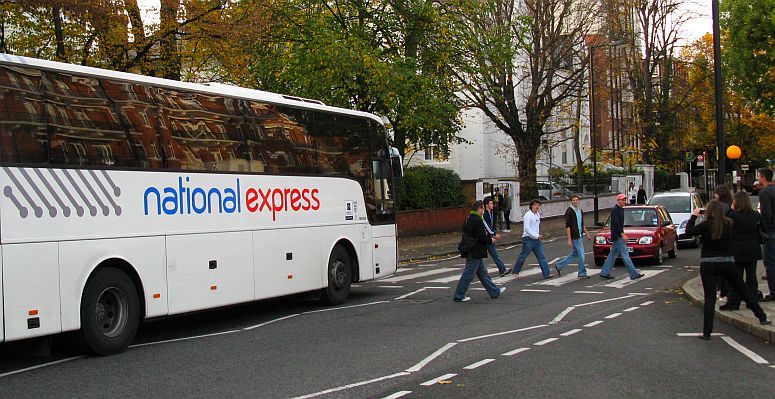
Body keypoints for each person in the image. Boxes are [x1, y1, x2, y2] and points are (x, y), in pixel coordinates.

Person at [685, 200, 771, 339]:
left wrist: (694, 216)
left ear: (709, 212)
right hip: (727, 262)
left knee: (710, 298)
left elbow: (689, 232)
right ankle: (761, 316)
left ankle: (707, 332)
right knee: (743, 289)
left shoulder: (706, 225)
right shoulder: (729, 224)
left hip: (708, 263)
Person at [453, 201, 507, 302]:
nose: (483, 211)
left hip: (470, 248)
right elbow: (482, 236)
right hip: (475, 250)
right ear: (479, 209)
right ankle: (459, 295)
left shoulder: (468, 218)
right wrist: (491, 240)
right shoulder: (477, 220)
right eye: (482, 209)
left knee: (483, 274)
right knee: (468, 274)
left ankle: (494, 291)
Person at [722, 192, 763, 310]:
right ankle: (752, 301)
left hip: (737, 249)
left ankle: (734, 302)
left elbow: (726, 230)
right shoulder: (755, 215)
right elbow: (762, 229)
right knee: (751, 276)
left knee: (736, 277)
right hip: (752, 247)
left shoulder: (732, 215)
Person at [599, 194, 645, 280]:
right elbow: (616, 224)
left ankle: (605, 272)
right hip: (617, 236)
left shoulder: (620, 209)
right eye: (622, 200)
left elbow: (619, 224)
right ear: (618, 200)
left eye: (624, 200)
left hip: (616, 235)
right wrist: (622, 234)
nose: (624, 201)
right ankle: (633, 273)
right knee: (625, 255)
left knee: (612, 254)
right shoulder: (616, 210)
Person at [512, 200, 553, 279]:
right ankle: (515, 271)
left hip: (536, 240)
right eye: (535, 205)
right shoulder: (528, 215)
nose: (537, 207)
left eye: (538, 205)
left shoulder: (537, 215)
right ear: (531, 206)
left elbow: (535, 227)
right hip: (528, 239)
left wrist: (537, 235)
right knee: (523, 256)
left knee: (542, 257)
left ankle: (546, 274)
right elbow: (527, 228)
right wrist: (536, 235)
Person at [555, 194, 591, 278]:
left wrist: (587, 233)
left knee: (574, 254)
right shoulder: (569, 211)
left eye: (576, 200)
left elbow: (582, 223)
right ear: (571, 201)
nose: (575, 201)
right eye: (573, 200)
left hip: (580, 234)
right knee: (582, 254)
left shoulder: (580, 210)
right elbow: (567, 226)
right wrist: (569, 239)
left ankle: (559, 265)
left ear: (579, 201)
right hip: (575, 236)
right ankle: (582, 273)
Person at [482, 196, 511, 277]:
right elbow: (486, 226)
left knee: (495, 254)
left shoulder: (491, 212)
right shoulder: (484, 214)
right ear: (486, 205)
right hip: (484, 238)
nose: (492, 205)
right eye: (490, 203)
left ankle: (502, 270)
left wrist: (493, 234)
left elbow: (491, 226)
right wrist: (494, 234)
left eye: (492, 203)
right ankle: (480, 273)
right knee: (480, 257)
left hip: (489, 237)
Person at [759, 168, 775, 301]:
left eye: (759, 176)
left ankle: (773, 292)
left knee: (770, 263)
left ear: (763, 177)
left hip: (771, 232)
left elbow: (766, 214)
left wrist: (763, 230)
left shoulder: (764, 192)